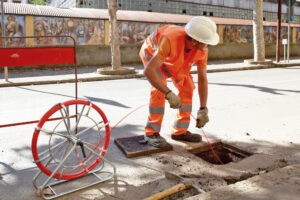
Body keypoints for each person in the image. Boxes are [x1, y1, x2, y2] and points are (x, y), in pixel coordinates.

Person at [139, 16, 219, 148]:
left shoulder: (202, 49)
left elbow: (202, 78)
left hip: (173, 58)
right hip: (151, 53)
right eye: (207, 42)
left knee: (187, 87)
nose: (209, 45)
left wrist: (203, 108)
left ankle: (179, 131)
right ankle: (151, 133)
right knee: (159, 89)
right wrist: (168, 94)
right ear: (194, 41)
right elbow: (149, 71)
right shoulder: (170, 39)